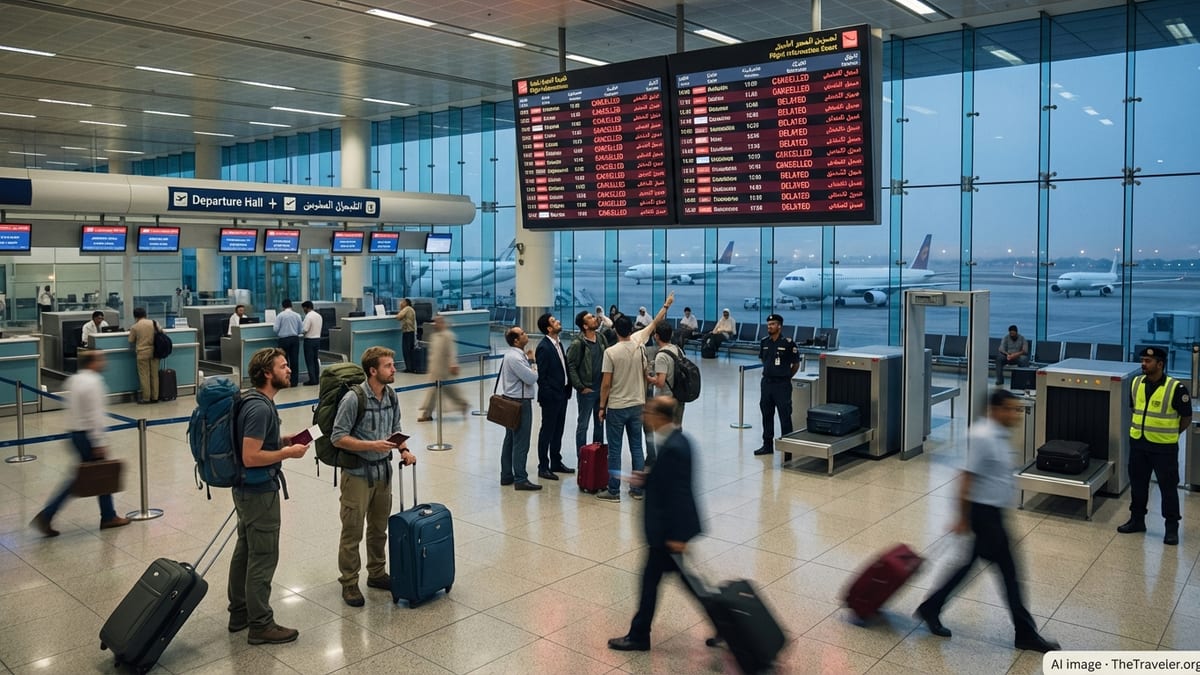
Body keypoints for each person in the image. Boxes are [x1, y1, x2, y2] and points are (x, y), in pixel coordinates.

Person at [915, 389, 1062, 654]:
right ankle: (1025, 634)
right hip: (984, 515)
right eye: (1010, 409)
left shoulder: (999, 436)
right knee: (1010, 574)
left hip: (993, 515)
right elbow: (965, 477)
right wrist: (961, 516)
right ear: (995, 409)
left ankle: (930, 608)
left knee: (970, 567)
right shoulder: (982, 436)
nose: (1015, 415)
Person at [607, 396, 702, 653]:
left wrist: (679, 536)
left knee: (652, 583)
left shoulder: (674, 448)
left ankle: (639, 636)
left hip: (668, 534)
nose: (643, 416)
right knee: (689, 584)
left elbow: (680, 493)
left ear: (660, 416)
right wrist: (647, 479)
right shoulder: (678, 440)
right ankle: (724, 626)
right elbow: (668, 483)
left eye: (648, 412)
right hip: (669, 533)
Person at [228, 347, 308, 645]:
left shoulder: (250, 399)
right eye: (283, 366)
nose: (289, 370)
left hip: (245, 489)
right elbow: (251, 456)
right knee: (262, 556)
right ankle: (260, 624)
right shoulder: (261, 407)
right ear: (267, 373)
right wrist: (287, 453)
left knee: (245, 550)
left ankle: (239, 612)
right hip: (259, 490)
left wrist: (283, 441)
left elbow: (253, 443)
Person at [330, 346, 415, 607]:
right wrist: (372, 445)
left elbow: (396, 427)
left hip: (383, 472)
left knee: (379, 528)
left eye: (393, 365)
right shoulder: (354, 399)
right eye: (388, 366)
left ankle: (376, 573)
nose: (394, 370)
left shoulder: (391, 395)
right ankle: (349, 582)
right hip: (357, 474)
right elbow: (337, 437)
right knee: (353, 530)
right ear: (373, 370)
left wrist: (403, 449)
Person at [31, 350, 130, 537]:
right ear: (92, 362)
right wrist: (99, 441)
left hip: (75, 433)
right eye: (100, 359)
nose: (103, 361)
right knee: (85, 477)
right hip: (87, 436)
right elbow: (95, 415)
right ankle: (48, 514)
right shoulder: (94, 382)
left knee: (97, 474)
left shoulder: (74, 380)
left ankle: (108, 515)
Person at [598, 292, 674, 502]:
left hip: (616, 406)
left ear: (615, 330)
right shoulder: (640, 343)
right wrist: (666, 305)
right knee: (637, 447)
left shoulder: (611, 352)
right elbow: (655, 322)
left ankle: (613, 491)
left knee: (614, 450)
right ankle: (637, 489)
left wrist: (602, 407)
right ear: (632, 329)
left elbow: (606, 384)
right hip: (638, 404)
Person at [1118, 346, 1191, 545]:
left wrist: (1171, 434)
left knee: (1168, 488)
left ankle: (1171, 528)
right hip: (1139, 444)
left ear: (1160, 364)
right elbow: (1135, 408)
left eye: (1148, 361)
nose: (1143, 363)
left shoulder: (1176, 388)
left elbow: (1186, 418)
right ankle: (1137, 520)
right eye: (1142, 360)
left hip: (1163, 448)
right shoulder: (1136, 383)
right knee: (1138, 485)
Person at [499, 325, 541, 491]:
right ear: (516, 340)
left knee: (510, 439)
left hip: (512, 400)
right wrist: (533, 361)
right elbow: (531, 378)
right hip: (519, 403)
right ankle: (521, 478)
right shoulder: (515, 358)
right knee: (521, 441)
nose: (526, 334)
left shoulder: (513, 355)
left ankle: (507, 474)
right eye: (522, 333)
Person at [535, 312, 575, 481]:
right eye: (554, 321)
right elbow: (542, 377)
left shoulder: (559, 344)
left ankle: (556, 462)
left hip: (562, 393)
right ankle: (543, 466)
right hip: (551, 397)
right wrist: (549, 394)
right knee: (547, 431)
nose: (558, 321)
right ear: (549, 328)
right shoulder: (544, 347)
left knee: (558, 430)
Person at [755, 314, 801, 456]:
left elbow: (796, 364)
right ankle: (767, 445)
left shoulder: (788, 343)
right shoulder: (764, 342)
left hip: (782, 385)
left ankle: (788, 448)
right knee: (766, 414)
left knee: (784, 415)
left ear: (779, 326)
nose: (770, 326)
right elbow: (764, 360)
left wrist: (786, 376)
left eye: (773, 324)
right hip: (767, 383)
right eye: (768, 324)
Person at [567, 310, 610, 454]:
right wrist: (580, 387)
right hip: (587, 391)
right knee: (583, 425)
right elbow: (571, 366)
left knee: (600, 423)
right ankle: (582, 458)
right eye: (590, 318)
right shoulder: (578, 343)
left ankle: (597, 457)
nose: (594, 318)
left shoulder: (601, 338)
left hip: (601, 390)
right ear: (585, 326)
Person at [418, 315, 470, 422]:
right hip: (435, 369)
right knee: (433, 391)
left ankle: (462, 404)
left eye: (439, 322)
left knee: (449, 390)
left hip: (444, 370)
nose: (436, 324)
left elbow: (452, 351)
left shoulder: (448, 336)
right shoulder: (434, 336)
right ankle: (427, 413)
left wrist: (453, 364)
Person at [649, 323, 685, 426]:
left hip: (666, 400)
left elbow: (660, 382)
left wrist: (648, 378)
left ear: (657, 336)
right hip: (679, 397)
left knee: (666, 432)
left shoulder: (661, 355)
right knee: (677, 430)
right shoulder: (678, 350)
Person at [128, 307, 160, 404]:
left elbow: (131, 340)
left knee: (144, 376)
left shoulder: (135, 327)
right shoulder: (154, 323)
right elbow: (163, 332)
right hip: (155, 352)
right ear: (145, 314)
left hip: (142, 353)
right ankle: (155, 397)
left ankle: (146, 398)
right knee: (154, 375)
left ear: (135, 316)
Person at [272, 299, 303, 387]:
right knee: (294, 361)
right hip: (294, 339)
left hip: (283, 340)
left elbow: (275, 329)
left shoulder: (280, 315)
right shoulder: (297, 315)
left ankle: (285, 381)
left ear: (282, 306)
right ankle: (294, 382)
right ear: (291, 305)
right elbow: (301, 329)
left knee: (283, 362)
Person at [300, 301, 323, 386]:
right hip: (317, 339)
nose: (303, 310)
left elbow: (305, 329)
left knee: (309, 361)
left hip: (309, 341)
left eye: (304, 308)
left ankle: (312, 380)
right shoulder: (319, 316)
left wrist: (300, 330)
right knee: (315, 360)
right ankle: (316, 378)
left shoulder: (308, 317)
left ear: (306, 307)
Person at [395, 298, 418, 373]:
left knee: (406, 350)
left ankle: (409, 368)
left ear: (406, 303)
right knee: (410, 350)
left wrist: (400, 310)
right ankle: (412, 367)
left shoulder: (407, 308)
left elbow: (399, 317)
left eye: (402, 302)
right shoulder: (411, 309)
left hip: (407, 332)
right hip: (411, 332)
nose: (401, 303)